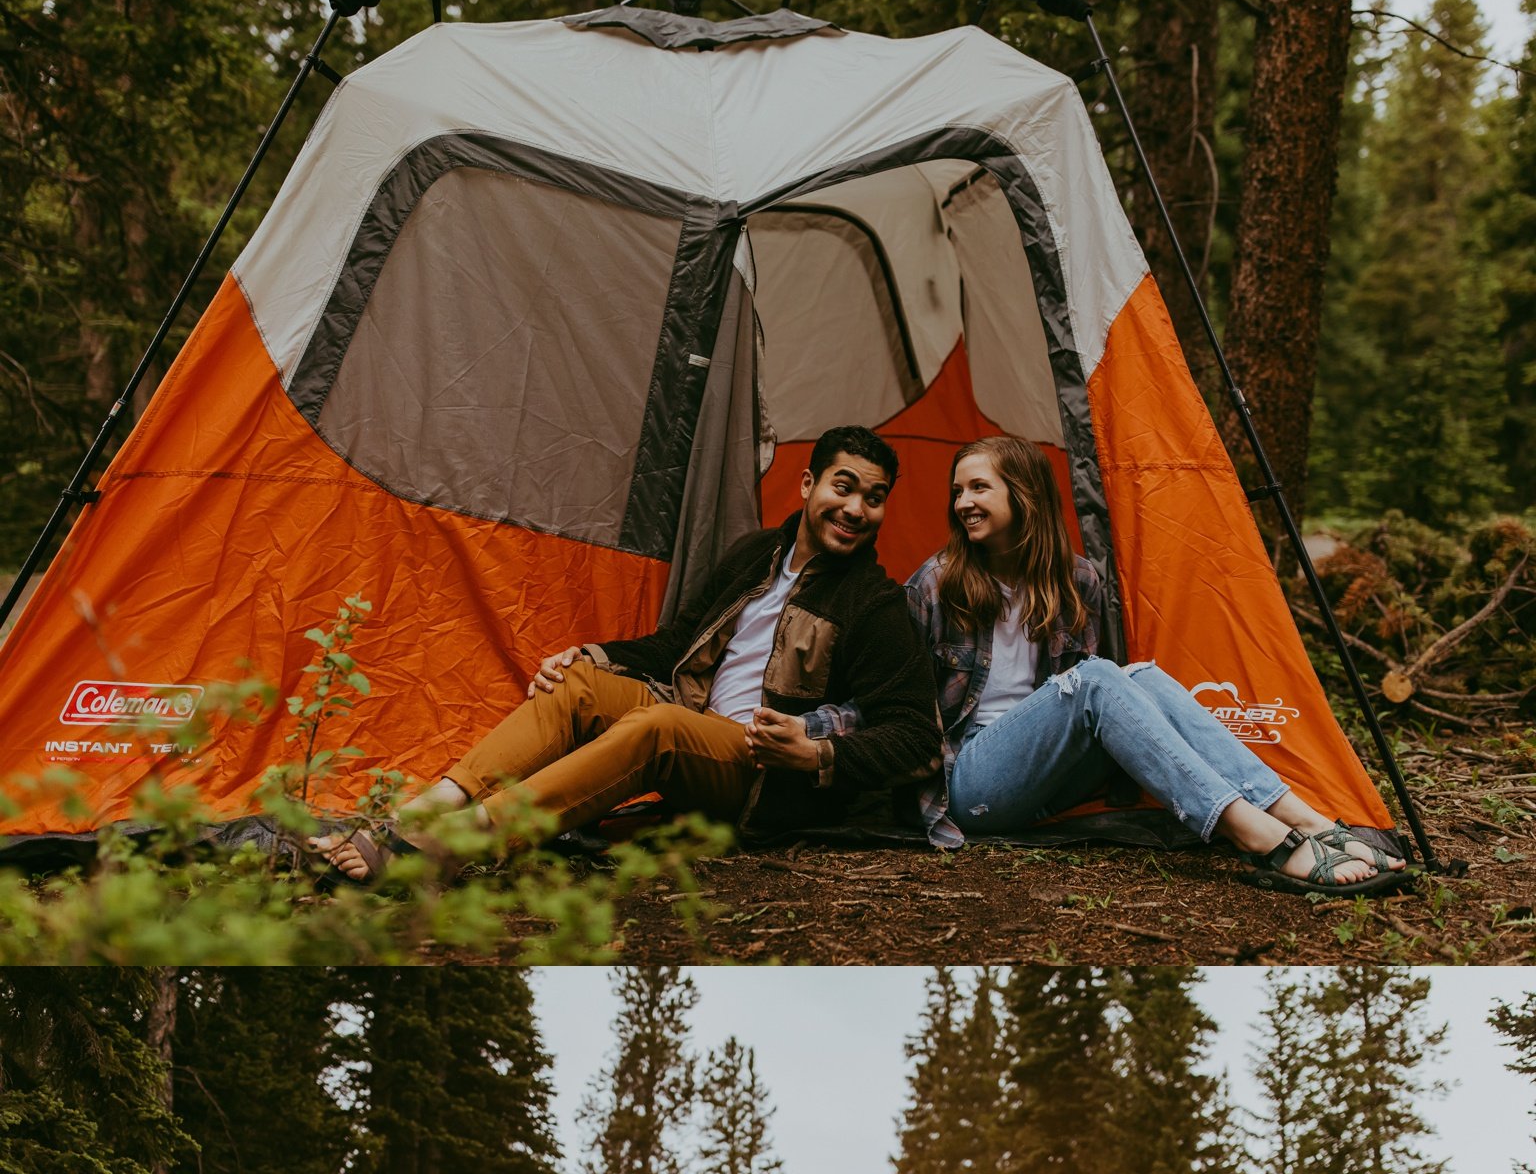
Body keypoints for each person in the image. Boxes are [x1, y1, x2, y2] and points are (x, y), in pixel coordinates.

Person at [314, 427, 941, 880]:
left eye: (875, 497)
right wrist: (586, 653)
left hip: (759, 770)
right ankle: (428, 808)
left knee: (657, 728)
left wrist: (818, 752)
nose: (856, 509)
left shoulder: (874, 605)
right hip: (691, 710)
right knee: (577, 686)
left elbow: (915, 734)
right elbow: (676, 643)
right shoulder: (754, 555)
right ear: (808, 485)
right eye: (844, 486)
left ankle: (459, 840)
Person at [888, 435, 1407, 895]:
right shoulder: (935, 584)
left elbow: (1074, 706)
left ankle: (1304, 818)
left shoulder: (1076, 580)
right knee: (1094, 677)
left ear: (1024, 495)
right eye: (958, 491)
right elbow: (903, 706)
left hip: (1049, 776)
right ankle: (1255, 832)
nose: (963, 503)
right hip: (973, 779)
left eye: (979, 488)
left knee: (1141, 675)